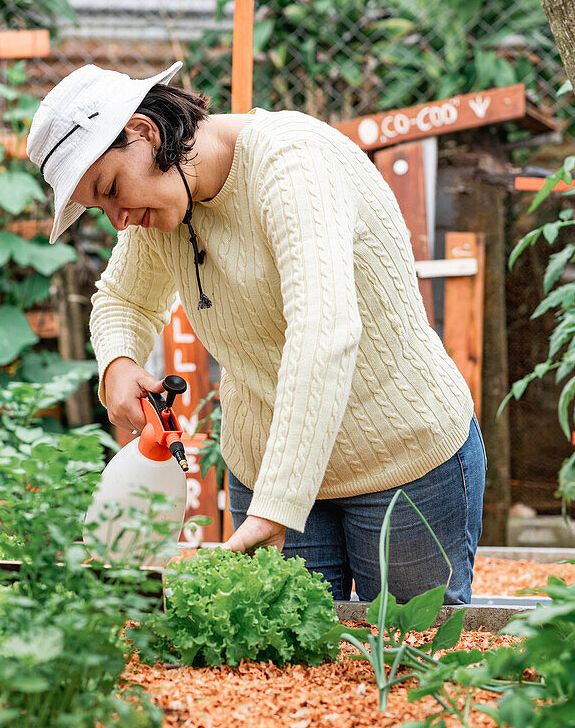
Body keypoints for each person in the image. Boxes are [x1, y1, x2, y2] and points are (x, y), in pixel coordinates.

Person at [26, 60, 487, 604]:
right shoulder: (161, 205)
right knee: (280, 664)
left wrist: (275, 506)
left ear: (144, 133)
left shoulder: (293, 165)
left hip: (400, 460)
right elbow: (122, 298)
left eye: (109, 189)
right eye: (98, 207)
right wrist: (119, 363)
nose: (117, 220)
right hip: (268, 464)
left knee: (413, 662)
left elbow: (324, 335)